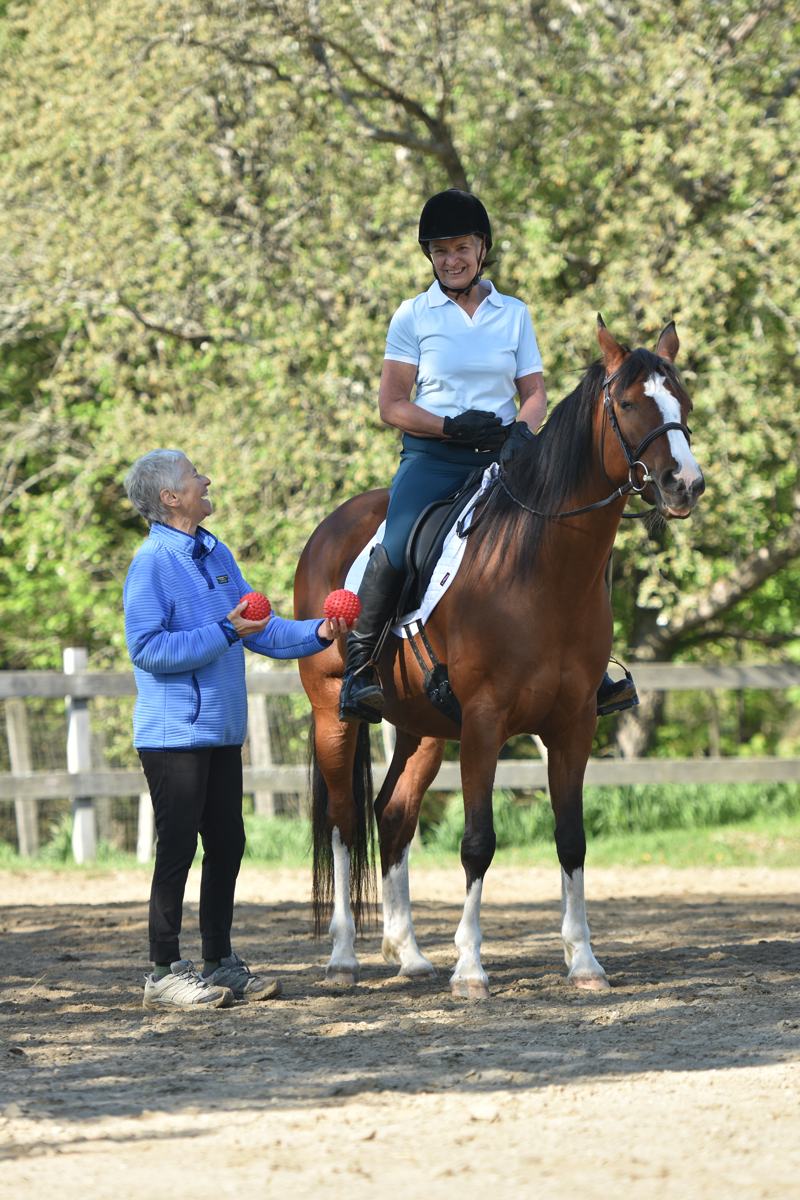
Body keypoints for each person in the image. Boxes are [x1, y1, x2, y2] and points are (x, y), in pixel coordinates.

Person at [338, 187, 637, 723]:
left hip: (504, 459)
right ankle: (359, 669)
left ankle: (596, 668)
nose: (451, 260)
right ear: (430, 256)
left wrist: (523, 434)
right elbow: (391, 405)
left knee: (575, 533)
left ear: (482, 248)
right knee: (401, 543)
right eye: (440, 251)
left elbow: (535, 393)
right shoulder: (413, 316)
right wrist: (448, 425)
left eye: (461, 248)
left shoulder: (513, 313)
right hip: (433, 459)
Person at [123, 449, 351, 1010]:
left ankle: (219, 963)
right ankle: (161, 972)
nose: (207, 478)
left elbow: (260, 631)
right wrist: (225, 631)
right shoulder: (151, 563)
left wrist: (320, 632)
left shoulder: (216, 552)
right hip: (173, 735)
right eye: (194, 475)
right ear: (171, 498)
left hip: (222, 733)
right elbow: (147, 650)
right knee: (176, 849)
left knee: (227, 844)